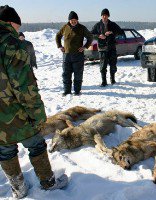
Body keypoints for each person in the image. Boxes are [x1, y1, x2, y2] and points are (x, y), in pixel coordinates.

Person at [0, 5, 68, 199]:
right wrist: (38, 114)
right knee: (36, 145)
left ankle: (18, 189)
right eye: (17, 26)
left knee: (5, 150)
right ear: (10, 22)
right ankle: (48, 182)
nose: (17, 30)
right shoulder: (11, 44)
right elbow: (24, 86)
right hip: (17, 112)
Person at [56, 11, 93, 96]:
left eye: (75, 20)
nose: (73, 21)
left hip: (78, 56)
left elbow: (90, 37)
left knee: (78, 74)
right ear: (69, 20)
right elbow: (58, 36)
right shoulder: (65, 27)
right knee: (66, 74)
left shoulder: (82, 28)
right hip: (66, 55)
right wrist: (60, 46)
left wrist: (84, 47)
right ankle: (67, 91)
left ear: (77, 20)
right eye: (72, 20)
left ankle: (77, 91)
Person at [91, 8, 124, 87]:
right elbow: (91, 35)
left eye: (106, 15)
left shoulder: (112, 24)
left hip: (111, 47)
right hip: (102, 48)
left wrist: (112, 32)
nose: (104, 17)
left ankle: (113, 80)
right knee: (103, 66)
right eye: (103, 15)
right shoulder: (98, 25)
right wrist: (99, 36)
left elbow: (121, 32)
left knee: (113, 64)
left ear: (108, 16)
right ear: (101, 16)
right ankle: (104, 81)